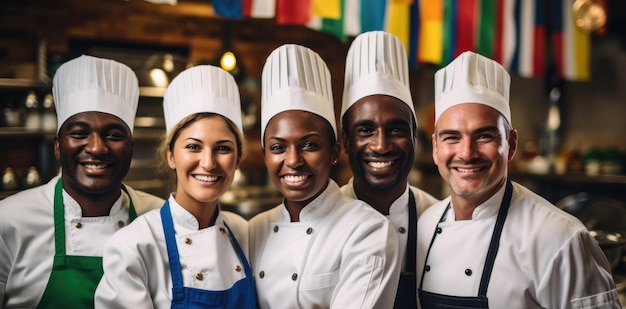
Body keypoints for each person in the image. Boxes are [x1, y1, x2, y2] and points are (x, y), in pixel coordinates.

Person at [416, 51, 620, 308]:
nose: (466, 153)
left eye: (484, 136)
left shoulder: (560, 238)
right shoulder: (424, 226)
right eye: (451, 137)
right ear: (435, 148)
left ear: (511, 145)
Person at [0, 55, 164, 308]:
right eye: (79, 133)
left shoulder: (160, 221)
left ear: (130, 148)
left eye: (113, 134)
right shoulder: (9, 221)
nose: (97, 148)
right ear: (58, 146)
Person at [249, 44, 401, 309]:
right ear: (265, 156)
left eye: (309, 145)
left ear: (334, 152)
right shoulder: (253, 230)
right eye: (278, 147)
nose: (293, 160)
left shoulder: (367, 230)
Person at [95, 65, 256, 308]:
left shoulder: (246, 235)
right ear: (171, 155)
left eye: (223, 148)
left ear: (238, 159)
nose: (208, 163)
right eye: (193, 147)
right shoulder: (134, 246)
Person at [340, 31, 439, 308]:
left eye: (396, 129)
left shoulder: (439, 222)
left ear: (415, 138)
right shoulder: (325, 222)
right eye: (365, 130)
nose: (381, 145)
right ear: (346, 141)